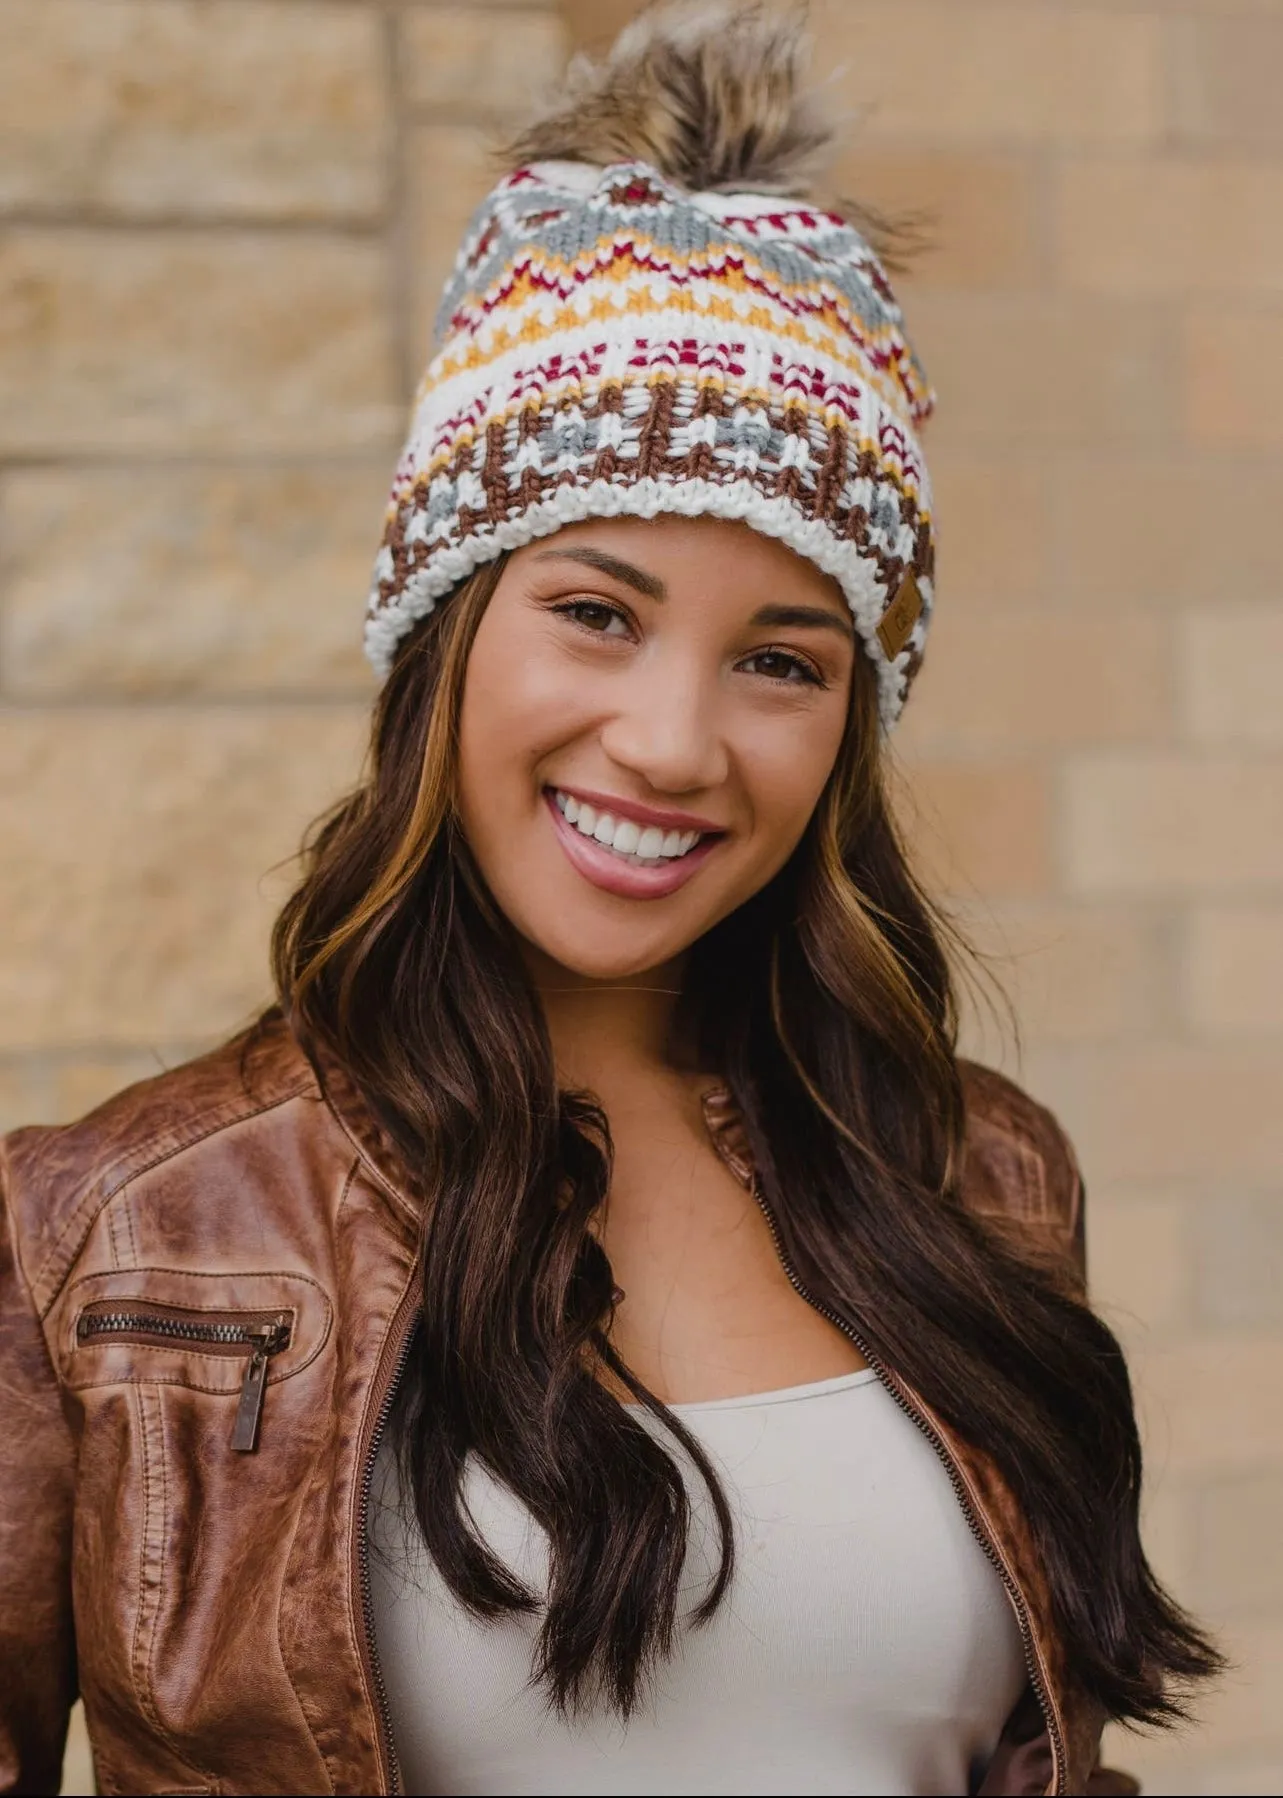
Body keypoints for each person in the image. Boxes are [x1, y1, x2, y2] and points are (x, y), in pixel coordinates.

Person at [0, 6, 1219, 1794]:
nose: (671, 742)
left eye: (782, 661)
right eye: (595, 610)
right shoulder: (113, 1234)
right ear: (446, 632)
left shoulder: (974, 1172)